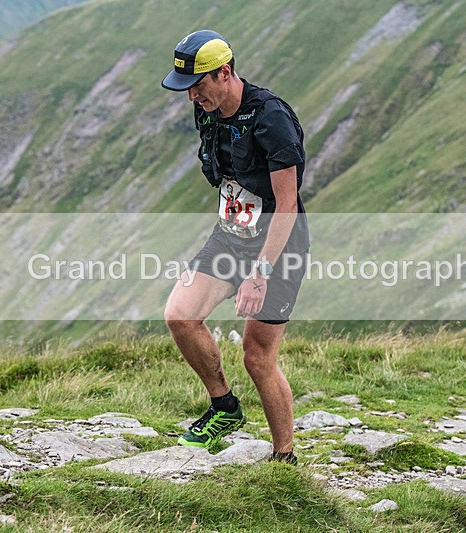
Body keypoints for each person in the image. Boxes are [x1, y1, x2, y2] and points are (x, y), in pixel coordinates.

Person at [161, 30, 309, 464]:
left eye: (198, 85)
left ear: (224, 73)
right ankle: (224, 407)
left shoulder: (272, 118)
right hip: (231, 235)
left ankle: (284, 458)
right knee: (180, 315)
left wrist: (259, 275)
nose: (192, 96)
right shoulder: (206, 111)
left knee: (257, 356)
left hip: (279, 243)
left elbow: (286, 204)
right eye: (187, 88)